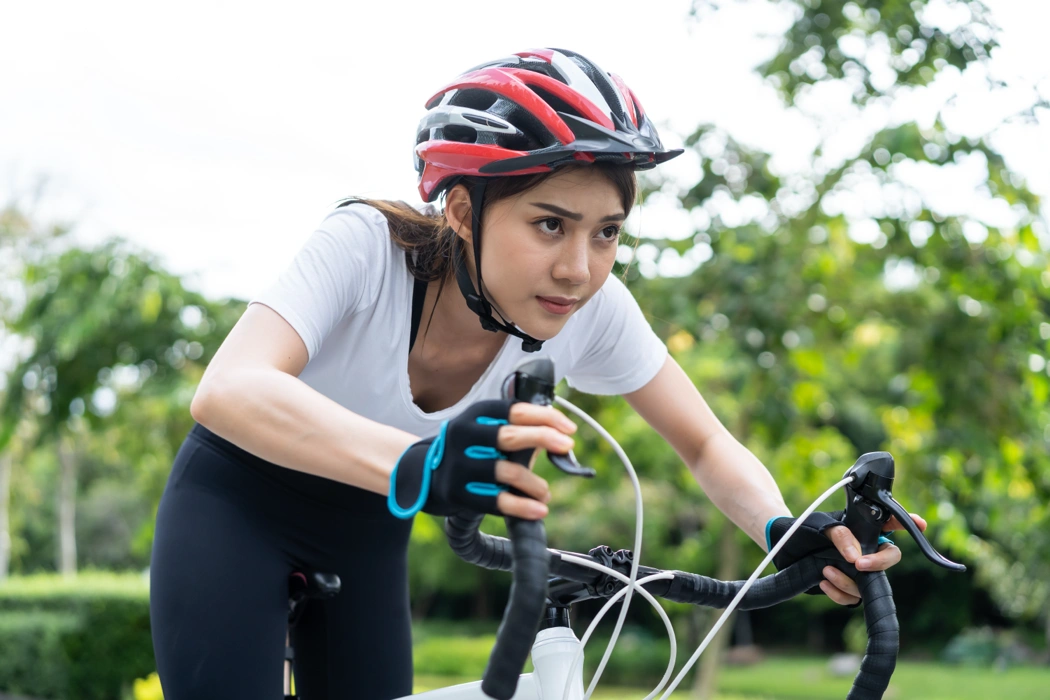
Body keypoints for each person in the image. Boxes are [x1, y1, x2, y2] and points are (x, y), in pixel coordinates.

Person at [148, 48, 925, 699]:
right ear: (461, 209)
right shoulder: (364, 248)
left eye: (607, 233)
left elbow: (704, 445)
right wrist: (419, 462)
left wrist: (779, 529)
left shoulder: (593, 308)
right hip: (237, 506)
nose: (578, 269)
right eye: (549, 224)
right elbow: (228, 390)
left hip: (364, 533)